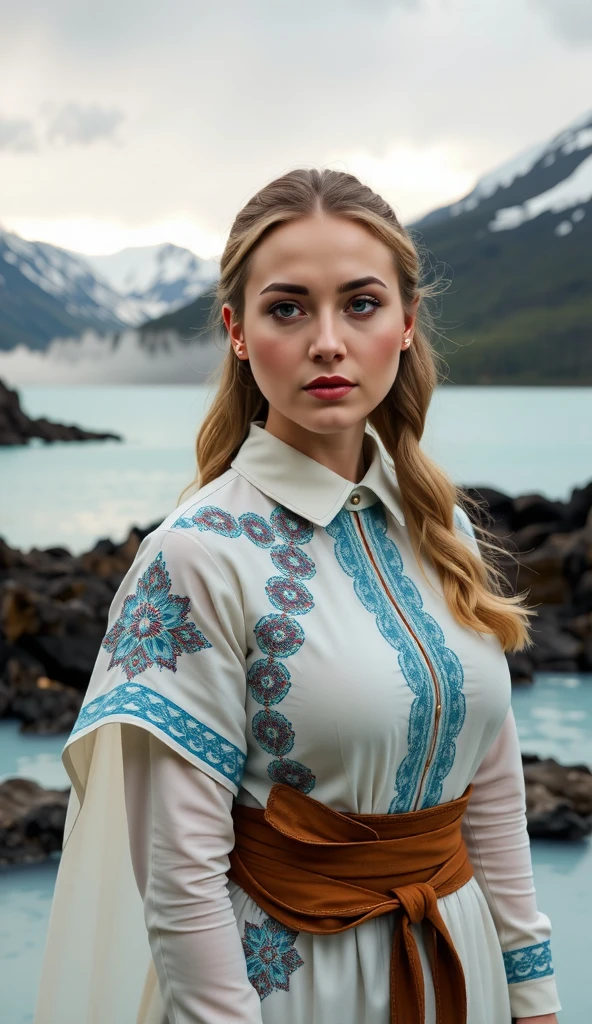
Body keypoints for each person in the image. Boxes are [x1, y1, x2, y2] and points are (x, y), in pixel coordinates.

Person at [35, 168, 562, 1024]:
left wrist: (533, 996)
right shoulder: (196, 558)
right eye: (288, 309)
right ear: (238, 334)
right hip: (292, 990)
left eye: (361, 304)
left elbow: (490, 795)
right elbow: (181, 879)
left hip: (461, 971)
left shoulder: (446, 532)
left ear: (406, 323)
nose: (328, 341)